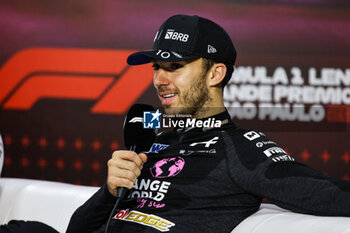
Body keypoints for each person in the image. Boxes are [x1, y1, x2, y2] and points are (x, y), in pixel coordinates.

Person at [66, 14, 350, 233]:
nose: (158, 80)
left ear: (215, 74)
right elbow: (76, 229)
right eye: (156, 67)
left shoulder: (240, 149)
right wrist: (110, 190)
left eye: (175, 67)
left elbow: (326, 194)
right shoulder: (152, 142)